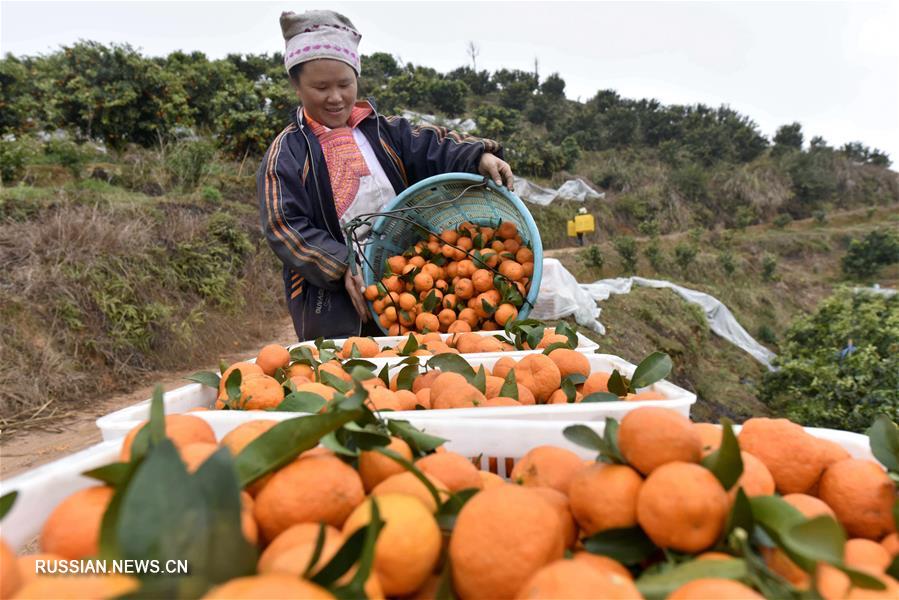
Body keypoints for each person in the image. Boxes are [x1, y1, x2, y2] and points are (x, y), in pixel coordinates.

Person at [258, 10, 515, 342]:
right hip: (335, 296)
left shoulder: (384, 131)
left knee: (415, 364)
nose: (335, 97)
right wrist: (340, 265)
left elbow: (432, 146)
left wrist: (480, 154)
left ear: (357, 78)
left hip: (411, 276)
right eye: (321, 87)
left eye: (344, 84)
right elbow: (284, 225)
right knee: (348, 374)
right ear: (297, 86)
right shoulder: (287, 153)